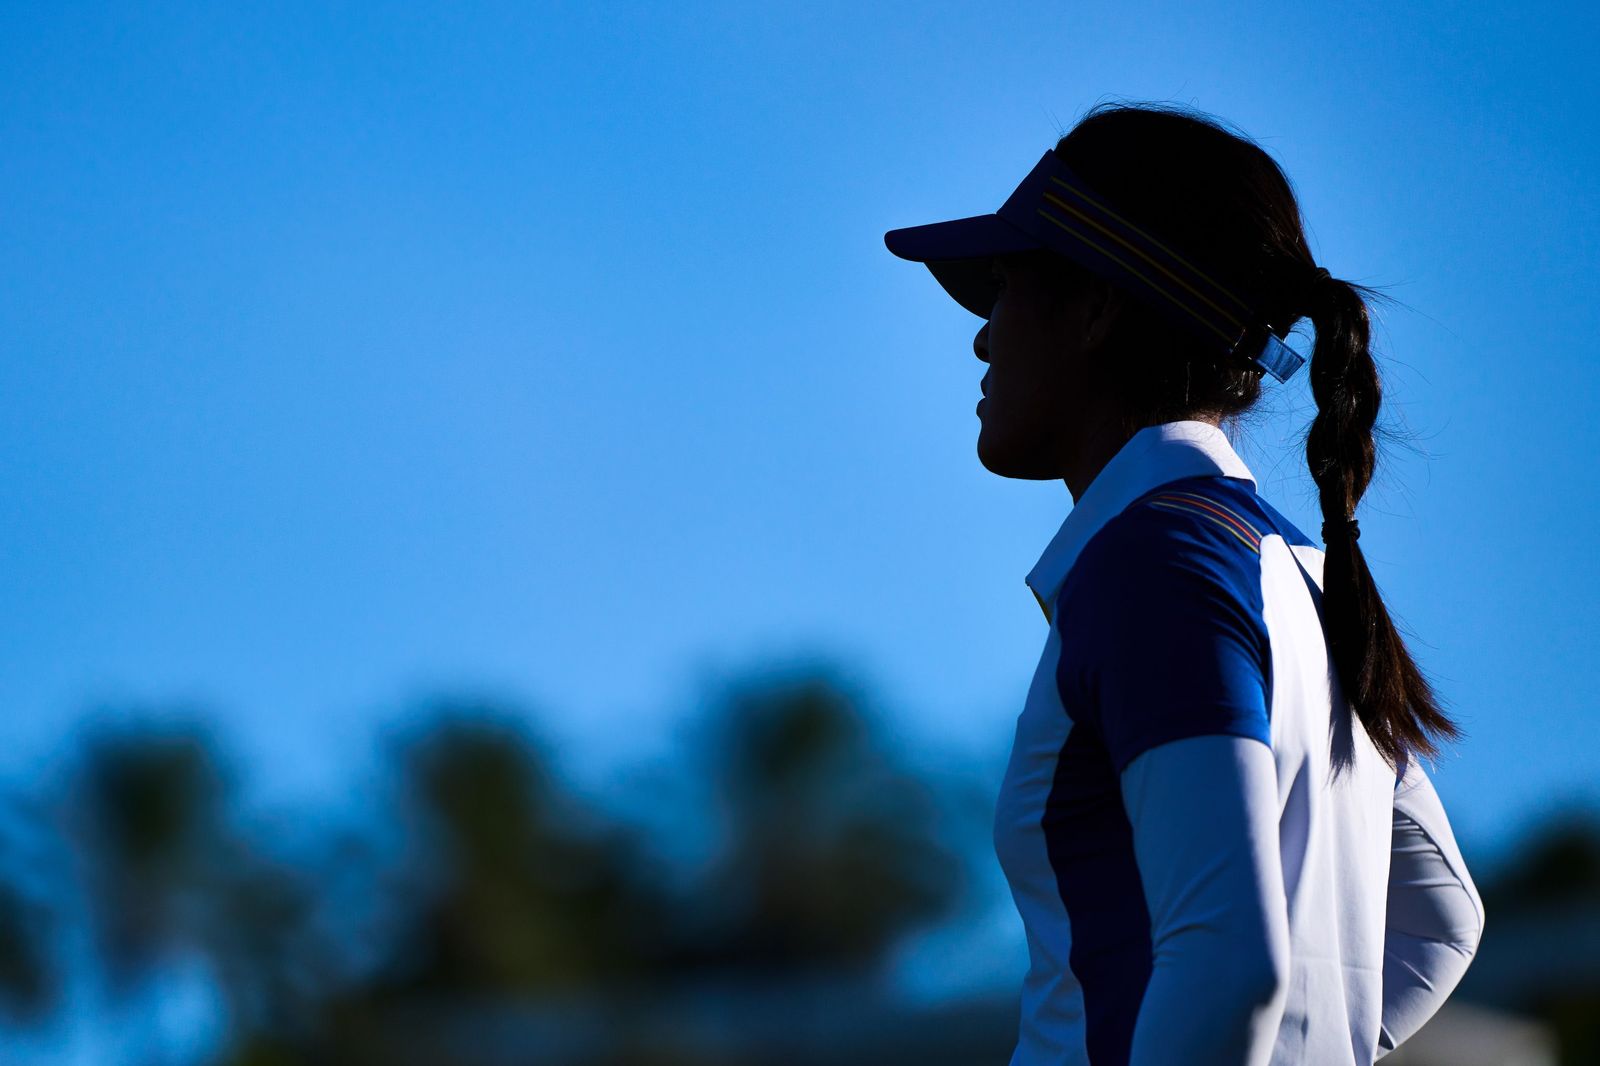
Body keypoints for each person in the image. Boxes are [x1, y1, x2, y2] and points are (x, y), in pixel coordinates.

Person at [883, 102, 1485, 1066]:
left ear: (1095, 309)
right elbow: (1438, 927)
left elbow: (1230, 965)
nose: (982, 340)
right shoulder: (1292, 570)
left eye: (1006, 288)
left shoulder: (1158, 562)